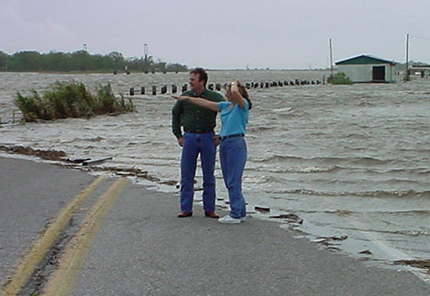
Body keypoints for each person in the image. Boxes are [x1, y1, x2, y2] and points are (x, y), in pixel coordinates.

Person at [173, 80, 252, 224]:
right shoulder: (226, 106)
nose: (227, 94)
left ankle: (235, 214)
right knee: (229, 180)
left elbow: (235, 92)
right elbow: (206, 103)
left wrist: (234, 83)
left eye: (228, 91)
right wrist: (187, 98)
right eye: (226, 91)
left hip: (236, 144)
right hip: (224, 142)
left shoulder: (243, 105)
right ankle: (240, 211)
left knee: (234, 180)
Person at [171, 68, 225, 218]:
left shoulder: (214, 97)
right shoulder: (185, 97)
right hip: (190, 137)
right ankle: (186, 208)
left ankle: (209, 209)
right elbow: (175, 115)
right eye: (190, 80)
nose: (190, 83)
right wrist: (178, 135)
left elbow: (228, 114)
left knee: (209, 174)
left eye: (193, 80)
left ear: (202, 81)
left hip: (208, 137)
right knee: (187, 174)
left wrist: (222, 136)